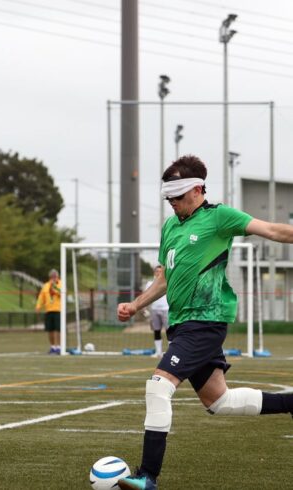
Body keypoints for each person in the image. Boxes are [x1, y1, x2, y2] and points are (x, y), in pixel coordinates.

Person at [116, 155, 293, 490]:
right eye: (169, 198)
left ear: (198, 190)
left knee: (158, 386)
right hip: (181, 324)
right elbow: (164, 279)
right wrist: (136, 304)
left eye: (178, 197)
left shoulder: (219, 217)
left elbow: (271, 230)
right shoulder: (170, 227)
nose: (173, 203)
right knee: (219, 402)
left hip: (206, 321)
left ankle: (147, 476)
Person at [35, 269, 62, 354]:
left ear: (58, 277)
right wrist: (38, 306)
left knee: (58, 329)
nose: (53, 278)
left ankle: (59, 347)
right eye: (52, 277)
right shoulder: (46, 286)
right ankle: (53, 347)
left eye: (55, 276)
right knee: (50, 330)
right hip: (48, 310)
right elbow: (41, 297)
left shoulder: (61, 284)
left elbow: (61, 293)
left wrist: (55, 288)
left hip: (58, 310)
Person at [144, 265, 168, 358]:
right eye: (157, 271)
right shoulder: (150, 284)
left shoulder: (167, 281)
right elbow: (145, 296)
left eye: (160, 271)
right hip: (154, 310)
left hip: (166, 309)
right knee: (156, 331)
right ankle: (158, 352)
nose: (158, 273)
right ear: (154, 272)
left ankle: (171, 352)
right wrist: (145, 309)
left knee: (169, 331)